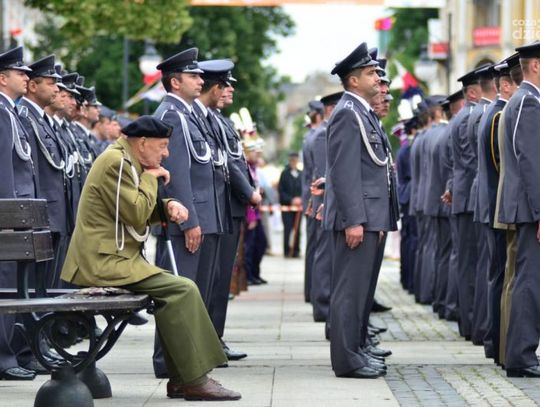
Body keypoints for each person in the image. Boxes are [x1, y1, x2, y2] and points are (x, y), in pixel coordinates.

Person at [60, 115, 241, 400]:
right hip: (102, 262)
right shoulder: (117, 162)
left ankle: (183, 378)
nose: (165, 154)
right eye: (162, 146)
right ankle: (194, 379)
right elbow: (135, 212)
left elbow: (130, 209)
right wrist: (150, 177)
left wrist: (167, 206)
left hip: (115, 258)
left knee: (178, 290)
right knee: (183, 289)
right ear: (142, 143)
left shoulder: (125, 160)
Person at [323, 42, 398, 379]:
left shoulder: (360, 111)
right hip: (358, 219)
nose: (377, 79)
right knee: (349, 292)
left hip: (369, 216)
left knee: (360, 291)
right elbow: (345, 172)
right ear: (353, 80)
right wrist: (354, 220)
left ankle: (356, 350)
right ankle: (347, 359)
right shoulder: (347, 113)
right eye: (370, 73)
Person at [498, 42, 540, 378]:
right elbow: (531, 163)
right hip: (530, 209)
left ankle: (521, 354)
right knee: (530, 283)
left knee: (527, 280)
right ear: (536, 66)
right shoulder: (528, 102)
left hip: (526, 207)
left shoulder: (524, 99)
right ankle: (522, 357)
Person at [0, 45, 39, 380]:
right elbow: (3, 168)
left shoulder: (12, 112)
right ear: (2, 78)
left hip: (21, 214)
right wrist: (7, 215)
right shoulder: (2, 112)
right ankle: (3, 357)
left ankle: (14, 351)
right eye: (20, 73)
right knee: (5, 286)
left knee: (15, 286)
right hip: (10, 216)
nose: (26, 77)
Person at [302, 100, 324, 301]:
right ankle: (315, 293)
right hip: (317, 198)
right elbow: (319, 173)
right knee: (319, 248)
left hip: (310, 197)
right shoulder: (320, 135)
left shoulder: (310, 135)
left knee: (313, 247)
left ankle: (310, 291)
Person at [278, 152, 303, 258]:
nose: (294, 162)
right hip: (287, 206)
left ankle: (296, 250)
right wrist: (291, 200)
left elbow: (304, 189)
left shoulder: (301, 174)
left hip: (298, 207)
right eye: (292, 160)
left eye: (295, 160)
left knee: (297, 229)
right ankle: (287, 251)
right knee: (287, 229)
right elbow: (281, 191)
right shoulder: (284, 174)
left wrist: (300, 199)